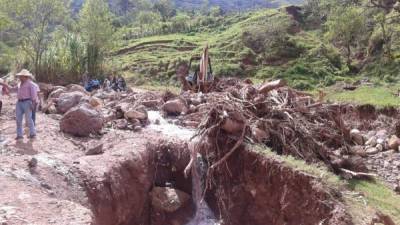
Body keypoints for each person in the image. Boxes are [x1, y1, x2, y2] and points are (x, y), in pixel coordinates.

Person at [4, 69, 38, 140]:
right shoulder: (19, 84)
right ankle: (19, 135)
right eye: (19, 76)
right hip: (19, 103)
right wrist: (5, 85)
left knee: (29, 119)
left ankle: (32, 134)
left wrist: (33, 105)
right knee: (18, 119)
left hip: (27, 102)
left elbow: (34, 96)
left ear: (25, 76)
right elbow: (13, 89)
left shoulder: (31, 84)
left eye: (21, 76)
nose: (19, 77)